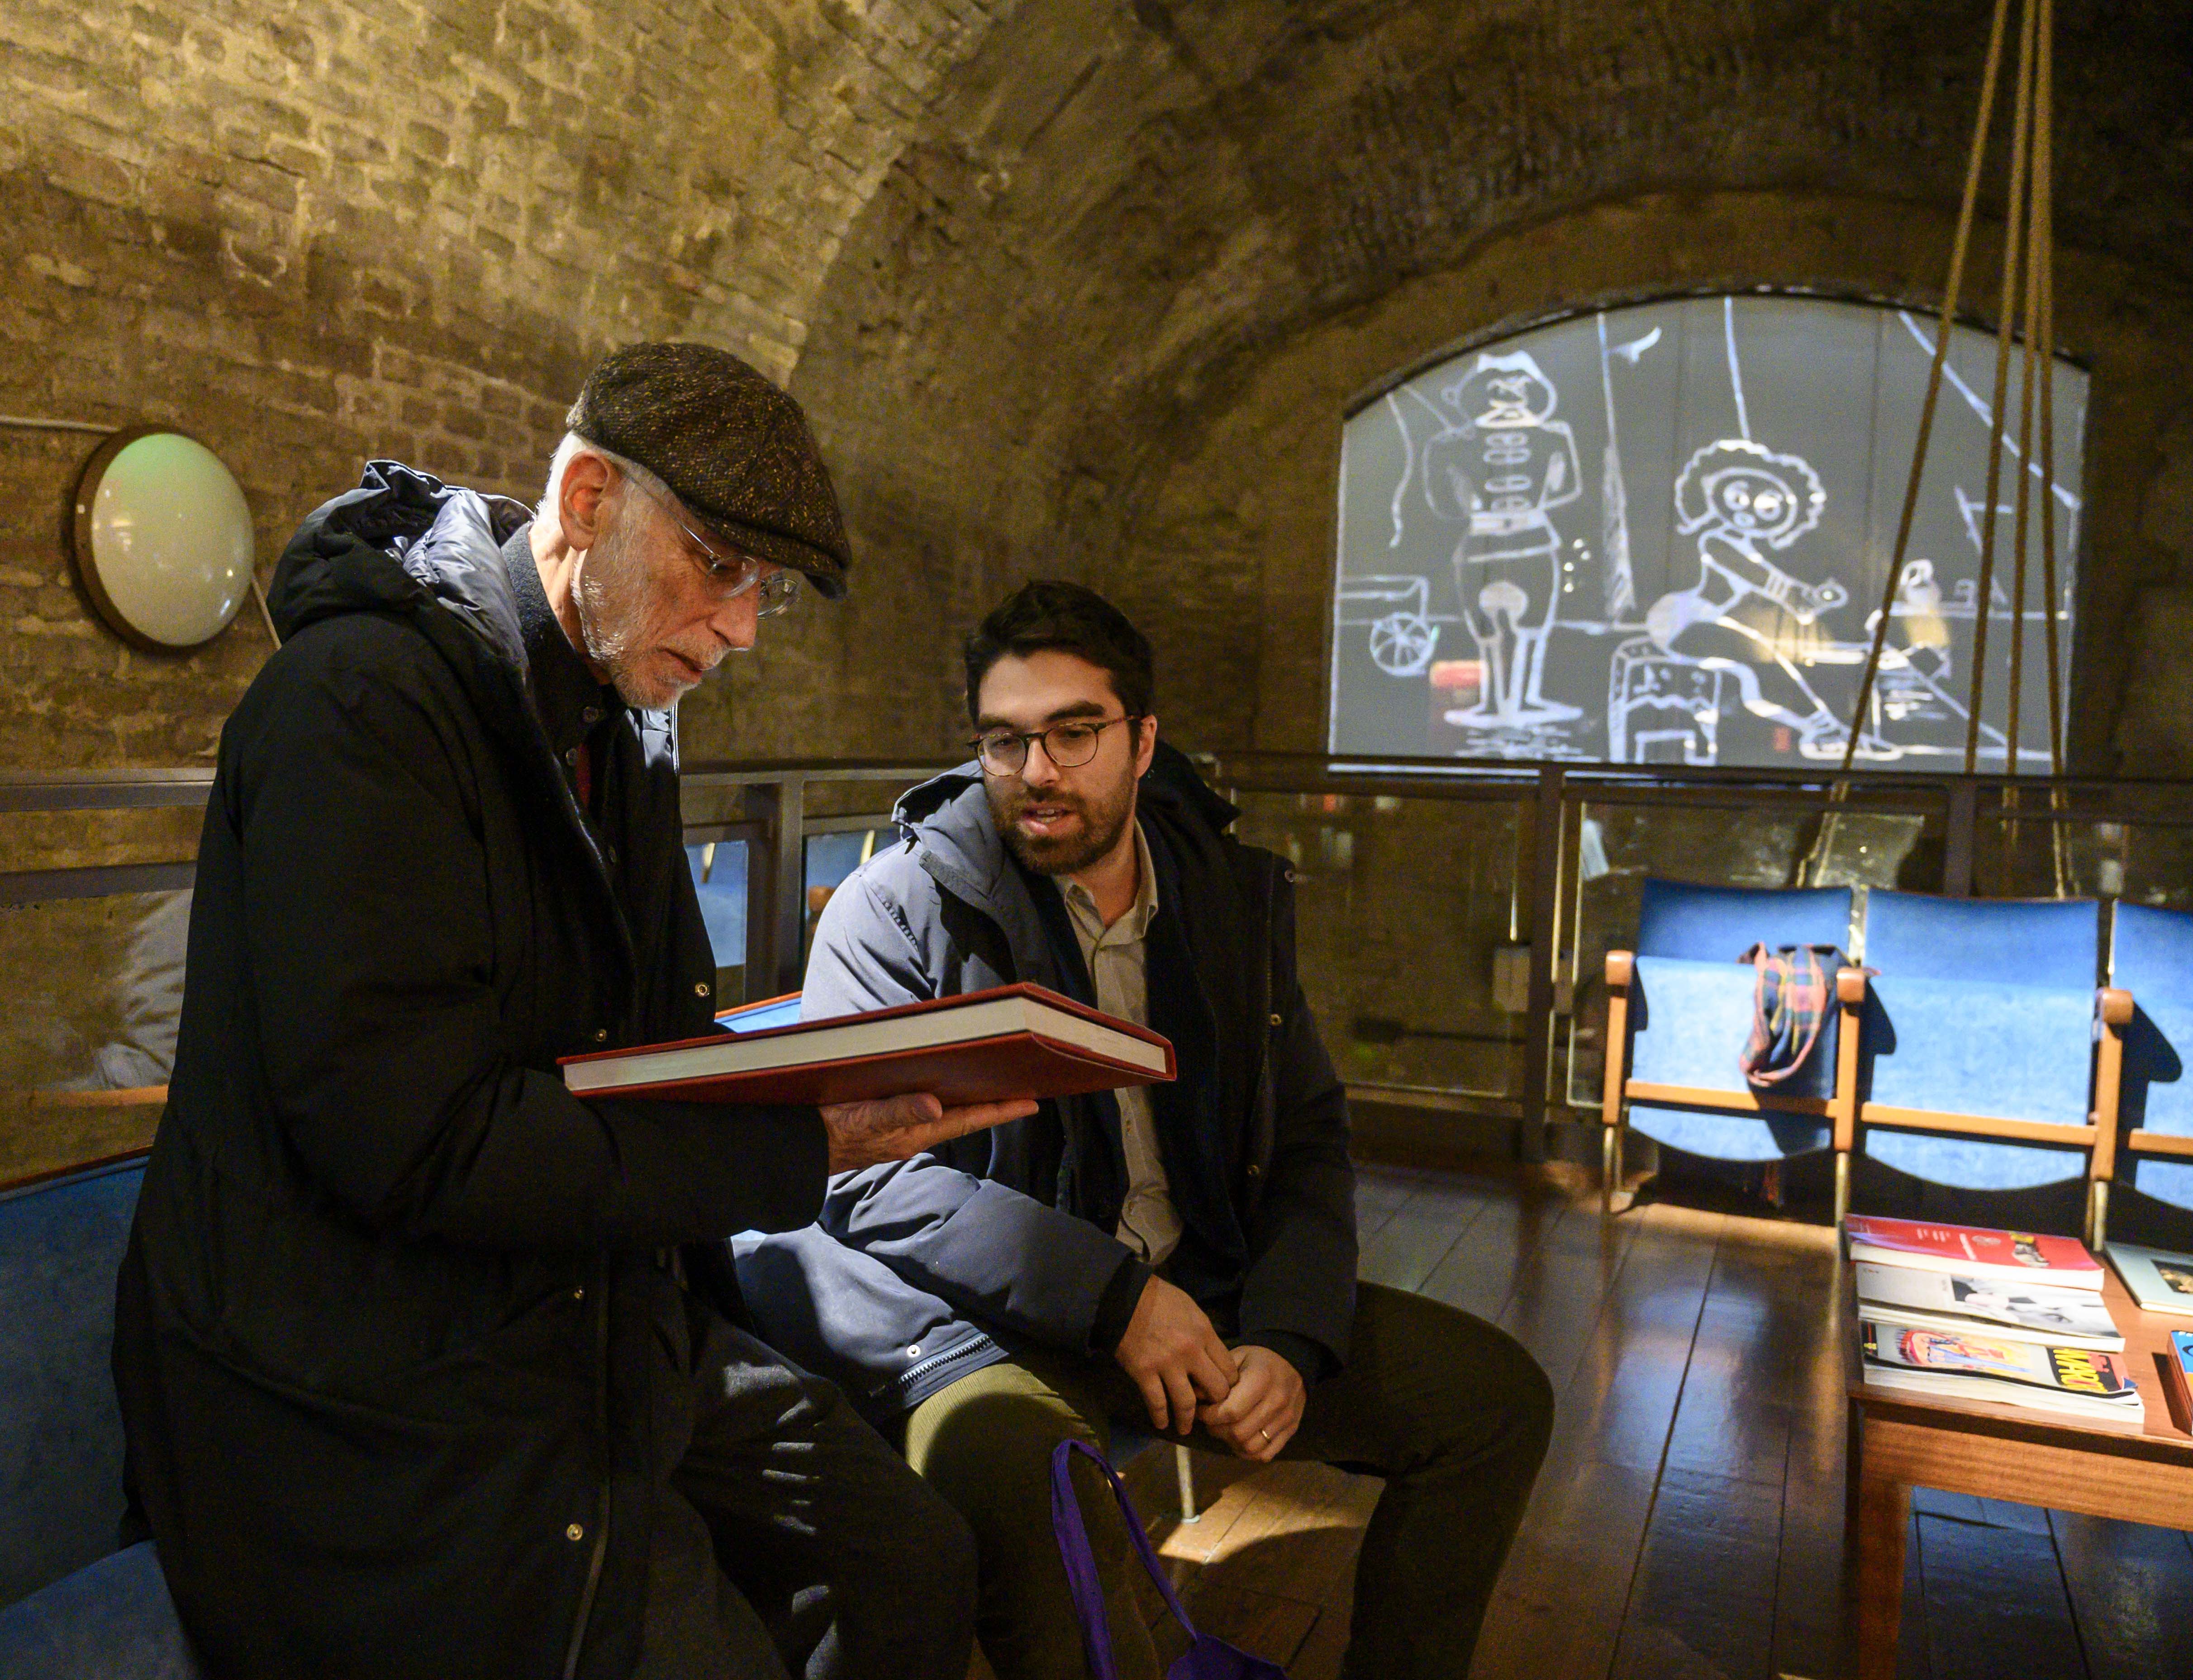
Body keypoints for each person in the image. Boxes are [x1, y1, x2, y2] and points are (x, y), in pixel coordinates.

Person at [112, 342, 1033, 1680]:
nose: (742, 630)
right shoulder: (358, 704)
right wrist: (798, 1146)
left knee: (913, 1557)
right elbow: (414, 1144)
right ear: (591, 498)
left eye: (765, 590)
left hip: (571, 1300)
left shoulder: (620, 714)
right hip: (363, 1377)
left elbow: (643, 1050)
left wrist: (837, 1086)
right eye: (720, 566)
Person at [736, 582, 1556, 1680]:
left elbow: (1307, 1131)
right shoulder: (899, 905)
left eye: (1075, 733)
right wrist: (1116, 1301)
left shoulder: (1225, 899)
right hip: (993, 1319)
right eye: (1005, 740)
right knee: (1045, 1499)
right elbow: (869, 1181)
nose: (1038, 771)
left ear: (1144, 740)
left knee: (1493, 1402)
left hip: (1203, 1289)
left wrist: (1292, 1334)